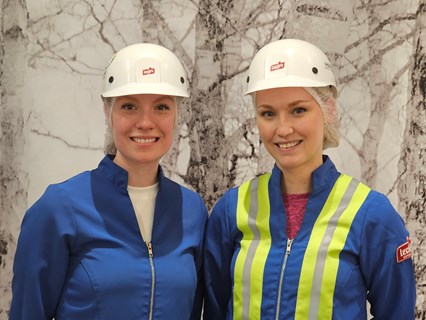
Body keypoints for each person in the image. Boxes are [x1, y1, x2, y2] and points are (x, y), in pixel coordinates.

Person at [203, 39, 416, 319]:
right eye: (268, 113)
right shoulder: (232, 210)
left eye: (298, 110)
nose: (283, 128)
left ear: (328, 110)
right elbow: (216, 310)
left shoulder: (370, 214)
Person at [10, 43, 208, 319]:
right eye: (129, 106)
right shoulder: (60, 209)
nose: (146, 122)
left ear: (177, 114)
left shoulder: (192, 211)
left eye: (161, 107)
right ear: (107, 110)